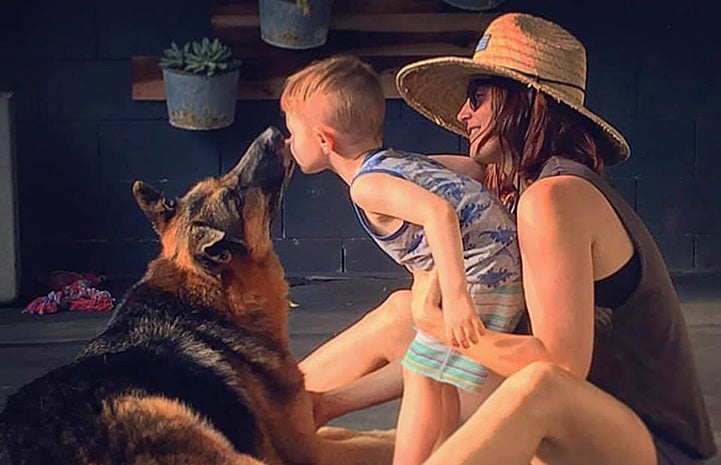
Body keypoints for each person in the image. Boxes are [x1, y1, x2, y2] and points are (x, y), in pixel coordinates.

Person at [301, 12, 718, 465]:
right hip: (567, 437)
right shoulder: (515, 194)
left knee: (537, 385)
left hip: (651, 449)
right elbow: (411, 175)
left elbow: (560, 371)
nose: (464, 114)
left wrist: (438, 323)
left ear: (525, 100)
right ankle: (272, 410)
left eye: (478, 98)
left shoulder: (555, 199)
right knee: (403, 314)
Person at [279, 55, 526, 465]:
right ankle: (443, 453)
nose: (289, 143)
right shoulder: (395, 162)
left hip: (485, 277)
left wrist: (459, 296)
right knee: (434, 374)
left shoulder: (367, 186)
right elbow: (470, 169)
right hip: (497, 266)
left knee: (422, 371)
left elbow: (438, 214)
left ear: (325, 141)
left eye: (293, 133)